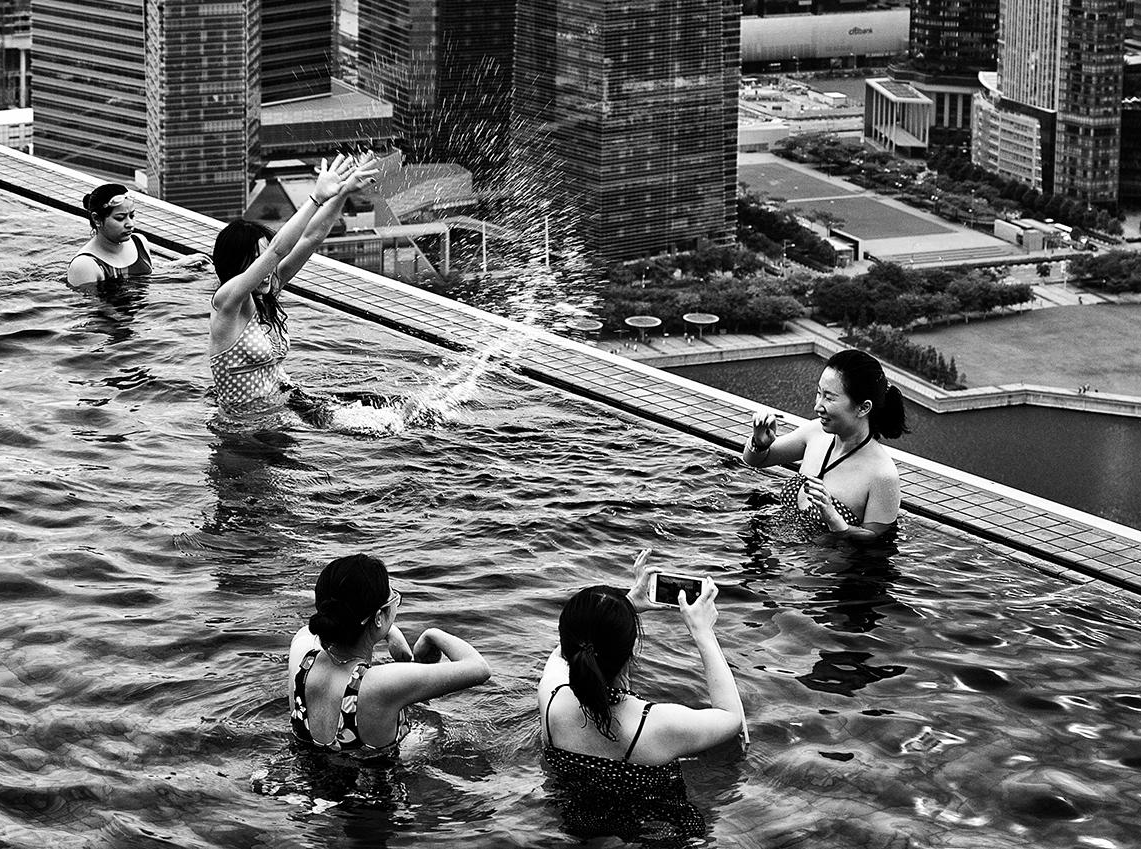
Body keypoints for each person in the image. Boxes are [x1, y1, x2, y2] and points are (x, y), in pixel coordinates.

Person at [537, 548, 745, 829]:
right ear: (634, 650)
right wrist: (703, 632)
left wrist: (624, 607)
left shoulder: (551, 700)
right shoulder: (657, 725)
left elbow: (565, 651)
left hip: (577, 825)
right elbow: (731, 717)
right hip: (657, 831)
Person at [208, 151, 379, 425]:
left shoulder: (266, 293)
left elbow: (312, 237)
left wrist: (342, 193)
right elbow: (276, 251)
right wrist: (315, 198)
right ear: (236, 264)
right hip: (243, 430)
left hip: (284, 408)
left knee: (382, 421)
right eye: (257, 262)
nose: (266, 270)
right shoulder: (227, 302)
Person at [286, 554, 489, 764]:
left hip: (306, 773)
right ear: (378, 617)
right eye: (394, 600)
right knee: (430, 730)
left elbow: (314, 629)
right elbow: (479, 668)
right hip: (373, 784)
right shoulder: (378, 684)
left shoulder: (301, 655)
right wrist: (432, 635)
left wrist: (390, 631)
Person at [741, 348, 905, 541]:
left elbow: (876, 539)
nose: (817, 406)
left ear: (863, 407)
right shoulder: (815, 432)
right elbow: (755, 461)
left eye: (829, 397)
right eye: (819, 393)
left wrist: (834, 520)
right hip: (781, 548)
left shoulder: (882, 474)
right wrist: (759, 443)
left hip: (825, 559)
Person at [66, 183, 154, 288]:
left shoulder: (139, 242)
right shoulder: (85, 265)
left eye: (132, 216)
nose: (130, 224)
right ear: (97, 219)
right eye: (120, 218)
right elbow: (86, 299)